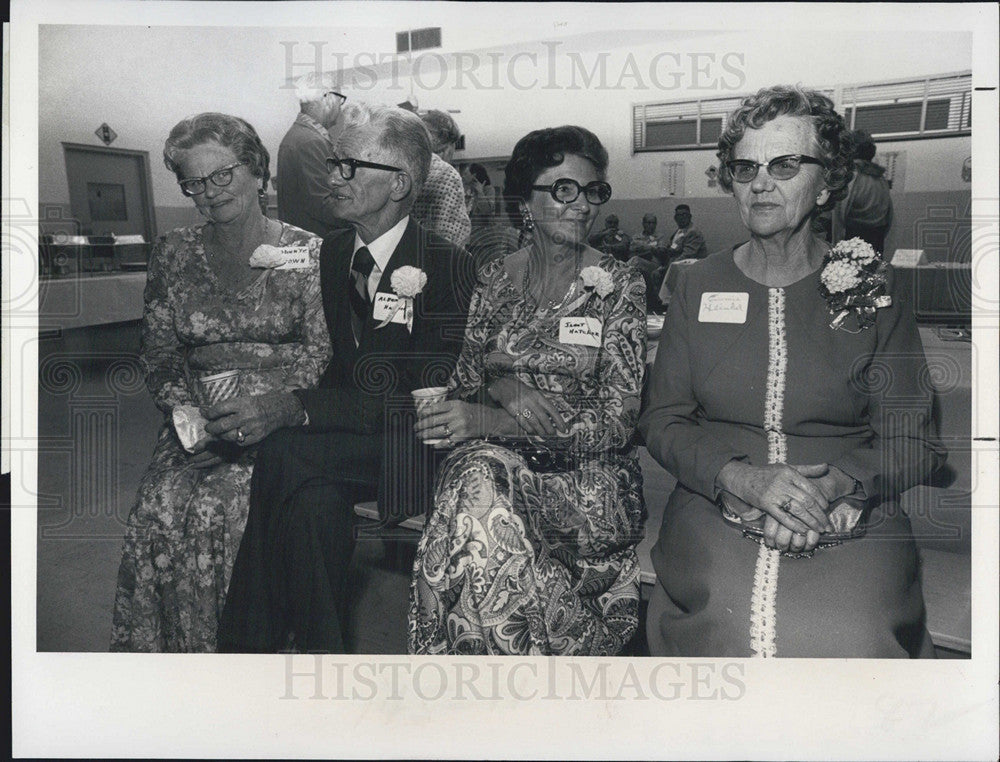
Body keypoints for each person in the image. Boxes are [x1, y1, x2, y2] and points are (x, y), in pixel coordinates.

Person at [639, 86, 945, 658]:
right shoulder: (694, 282)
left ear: (826, 182)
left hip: (854, 505)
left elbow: (915, 441)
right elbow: (663, 420)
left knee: (846, 633)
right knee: (727, 626)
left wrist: (832, 485)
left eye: (784, 165)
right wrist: (742, 478)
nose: (760, 183)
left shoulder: (874, 287)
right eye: (744, 167)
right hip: (717, 503)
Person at [216, 104, 476, 653]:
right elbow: (346, 367)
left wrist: (295, 406)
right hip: (349, 441)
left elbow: (418, 396)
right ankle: (321, 653)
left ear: (400, 182)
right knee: (311, 504)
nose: (332, 177)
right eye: (333, 163)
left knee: (285, 451)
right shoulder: (335, 252)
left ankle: (244, 646)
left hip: (412, 447)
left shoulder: (448, 265)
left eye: (349, 166)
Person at [408, 125, 647, 656]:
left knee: (477, 492)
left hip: (585, 484)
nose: (581, 205)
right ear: (526, 201)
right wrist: (501, 380)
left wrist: (494, 421)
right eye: (563, 189)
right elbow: (465, 381)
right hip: (493, 467)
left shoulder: (619, 283)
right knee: (480, 488)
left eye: (592, 191)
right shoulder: (494, 278)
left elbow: (618, 420)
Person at [111, 113, 332, 652]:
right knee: (161, 503)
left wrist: (264, 411)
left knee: (234, 507)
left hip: (279, 418)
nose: (209, 193)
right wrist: (191, 423)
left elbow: (320, 351)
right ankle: (186, 658)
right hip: (197, 423)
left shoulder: (308, 251)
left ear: (256, 171)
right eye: (193, 182)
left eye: (222, 175)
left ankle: (256, 657)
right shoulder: (173, 253)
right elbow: (160, 353)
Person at [275, 72, 348, 237]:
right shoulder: (310, 142)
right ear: (327, 98)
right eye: (340, 99)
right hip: (316, 241)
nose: (340, 106)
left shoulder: (301, 136)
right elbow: (322, 204)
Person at [411, 110, 472, 246]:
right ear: (449, 146)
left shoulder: (406, 168)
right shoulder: (446, 174)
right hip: (436, 257)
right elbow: (454, 235)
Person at [832, 129, 893, 252]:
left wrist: (835, 245)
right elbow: (889, 215)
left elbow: (839, 216)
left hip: (852, 241)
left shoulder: (851, 176)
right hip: (877, 240)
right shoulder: (880, 178)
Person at [656, 203, 709, 305]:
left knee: (658, 274)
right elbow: (672, 248)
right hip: (677, 265)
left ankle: (664, 304)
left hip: (690, 267)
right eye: (679, 216)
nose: (682, 218)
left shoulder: (693, 232)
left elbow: (687, 254)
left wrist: (666, 267)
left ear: (690, 216)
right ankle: (661, 303)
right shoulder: (679, 231)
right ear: (675, 218)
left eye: (685, 215)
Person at [628, 213, 670, 311]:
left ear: (656, 224)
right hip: (641, 264)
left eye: (653, 223)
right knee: (635, 262)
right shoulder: (636, 236)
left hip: (655, 265)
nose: (650, 225)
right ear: (643, 223)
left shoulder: (660, 237)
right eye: (648, 223)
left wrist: (643, 247)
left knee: (635, 260)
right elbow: (631, 248)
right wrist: (652, 248)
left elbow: (662, 251)